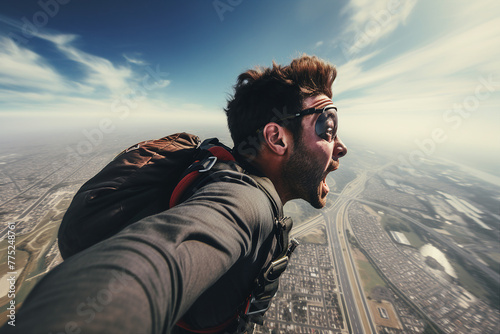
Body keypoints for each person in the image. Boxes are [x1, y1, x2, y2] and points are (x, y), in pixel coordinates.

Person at [0, 55, 347, 334]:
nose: (340, 147)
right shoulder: (246, 203)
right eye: (328, 128)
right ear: (276, 138)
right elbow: (152, 263)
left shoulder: (229, 179)